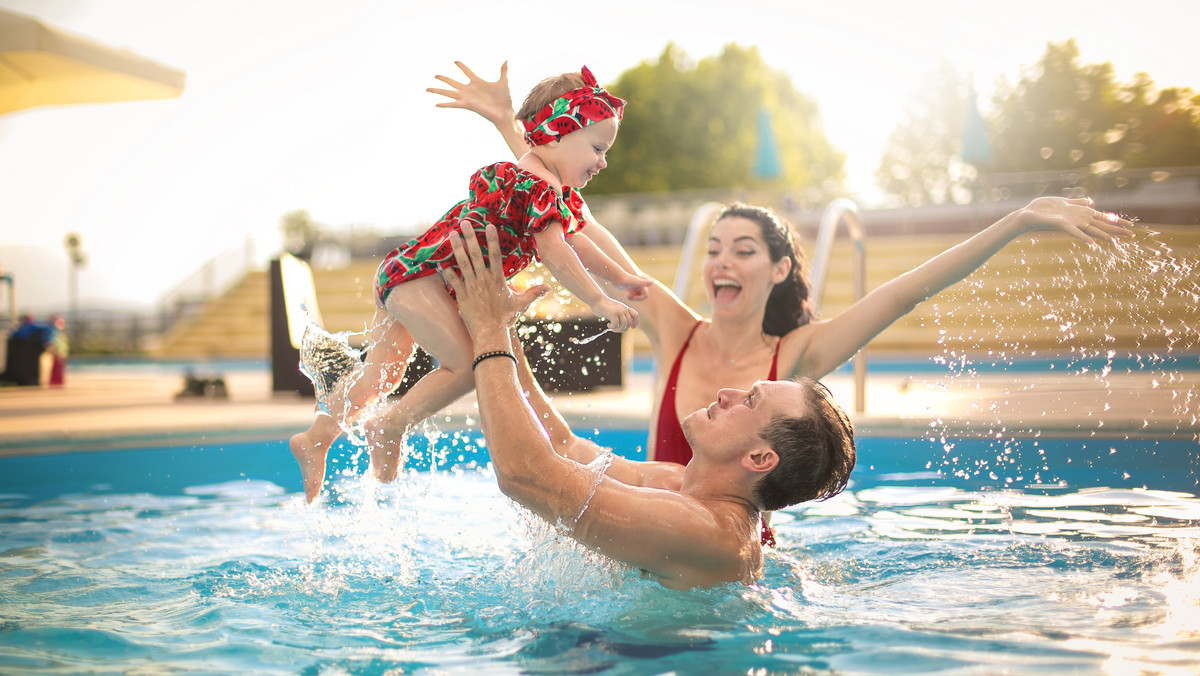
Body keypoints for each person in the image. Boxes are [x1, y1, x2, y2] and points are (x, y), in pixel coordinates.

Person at [428, 61, 1136, 467]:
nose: (720, 263)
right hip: (640, 538)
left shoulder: (795, 359)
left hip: (722, 560)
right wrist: (510, 128)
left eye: (742, 250)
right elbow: (568, 212)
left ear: (777, 270)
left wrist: (1013, 222)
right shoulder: (675, 331)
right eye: (712, 250)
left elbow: (905, 293)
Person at [290, 66, 651, 503]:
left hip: (407, 274)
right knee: (466, 367)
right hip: (423, 279)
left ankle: (317, 436)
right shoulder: (535, 186)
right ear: (556, 135)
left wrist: (623, 278)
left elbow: (578, 242)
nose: (603, 161)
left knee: (383, 374)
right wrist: (598, 300)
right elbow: (557, 252)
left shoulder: (546, 187)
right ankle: (388, 426)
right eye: (596, 147)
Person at [444, 219, 856, 590]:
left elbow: (526, 476)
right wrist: (501, 322)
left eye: (749, 400)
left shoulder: (705, 532)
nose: (725, 394)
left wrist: (488, 330)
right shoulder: (679, 484)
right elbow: (563, 448)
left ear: (761, 457)